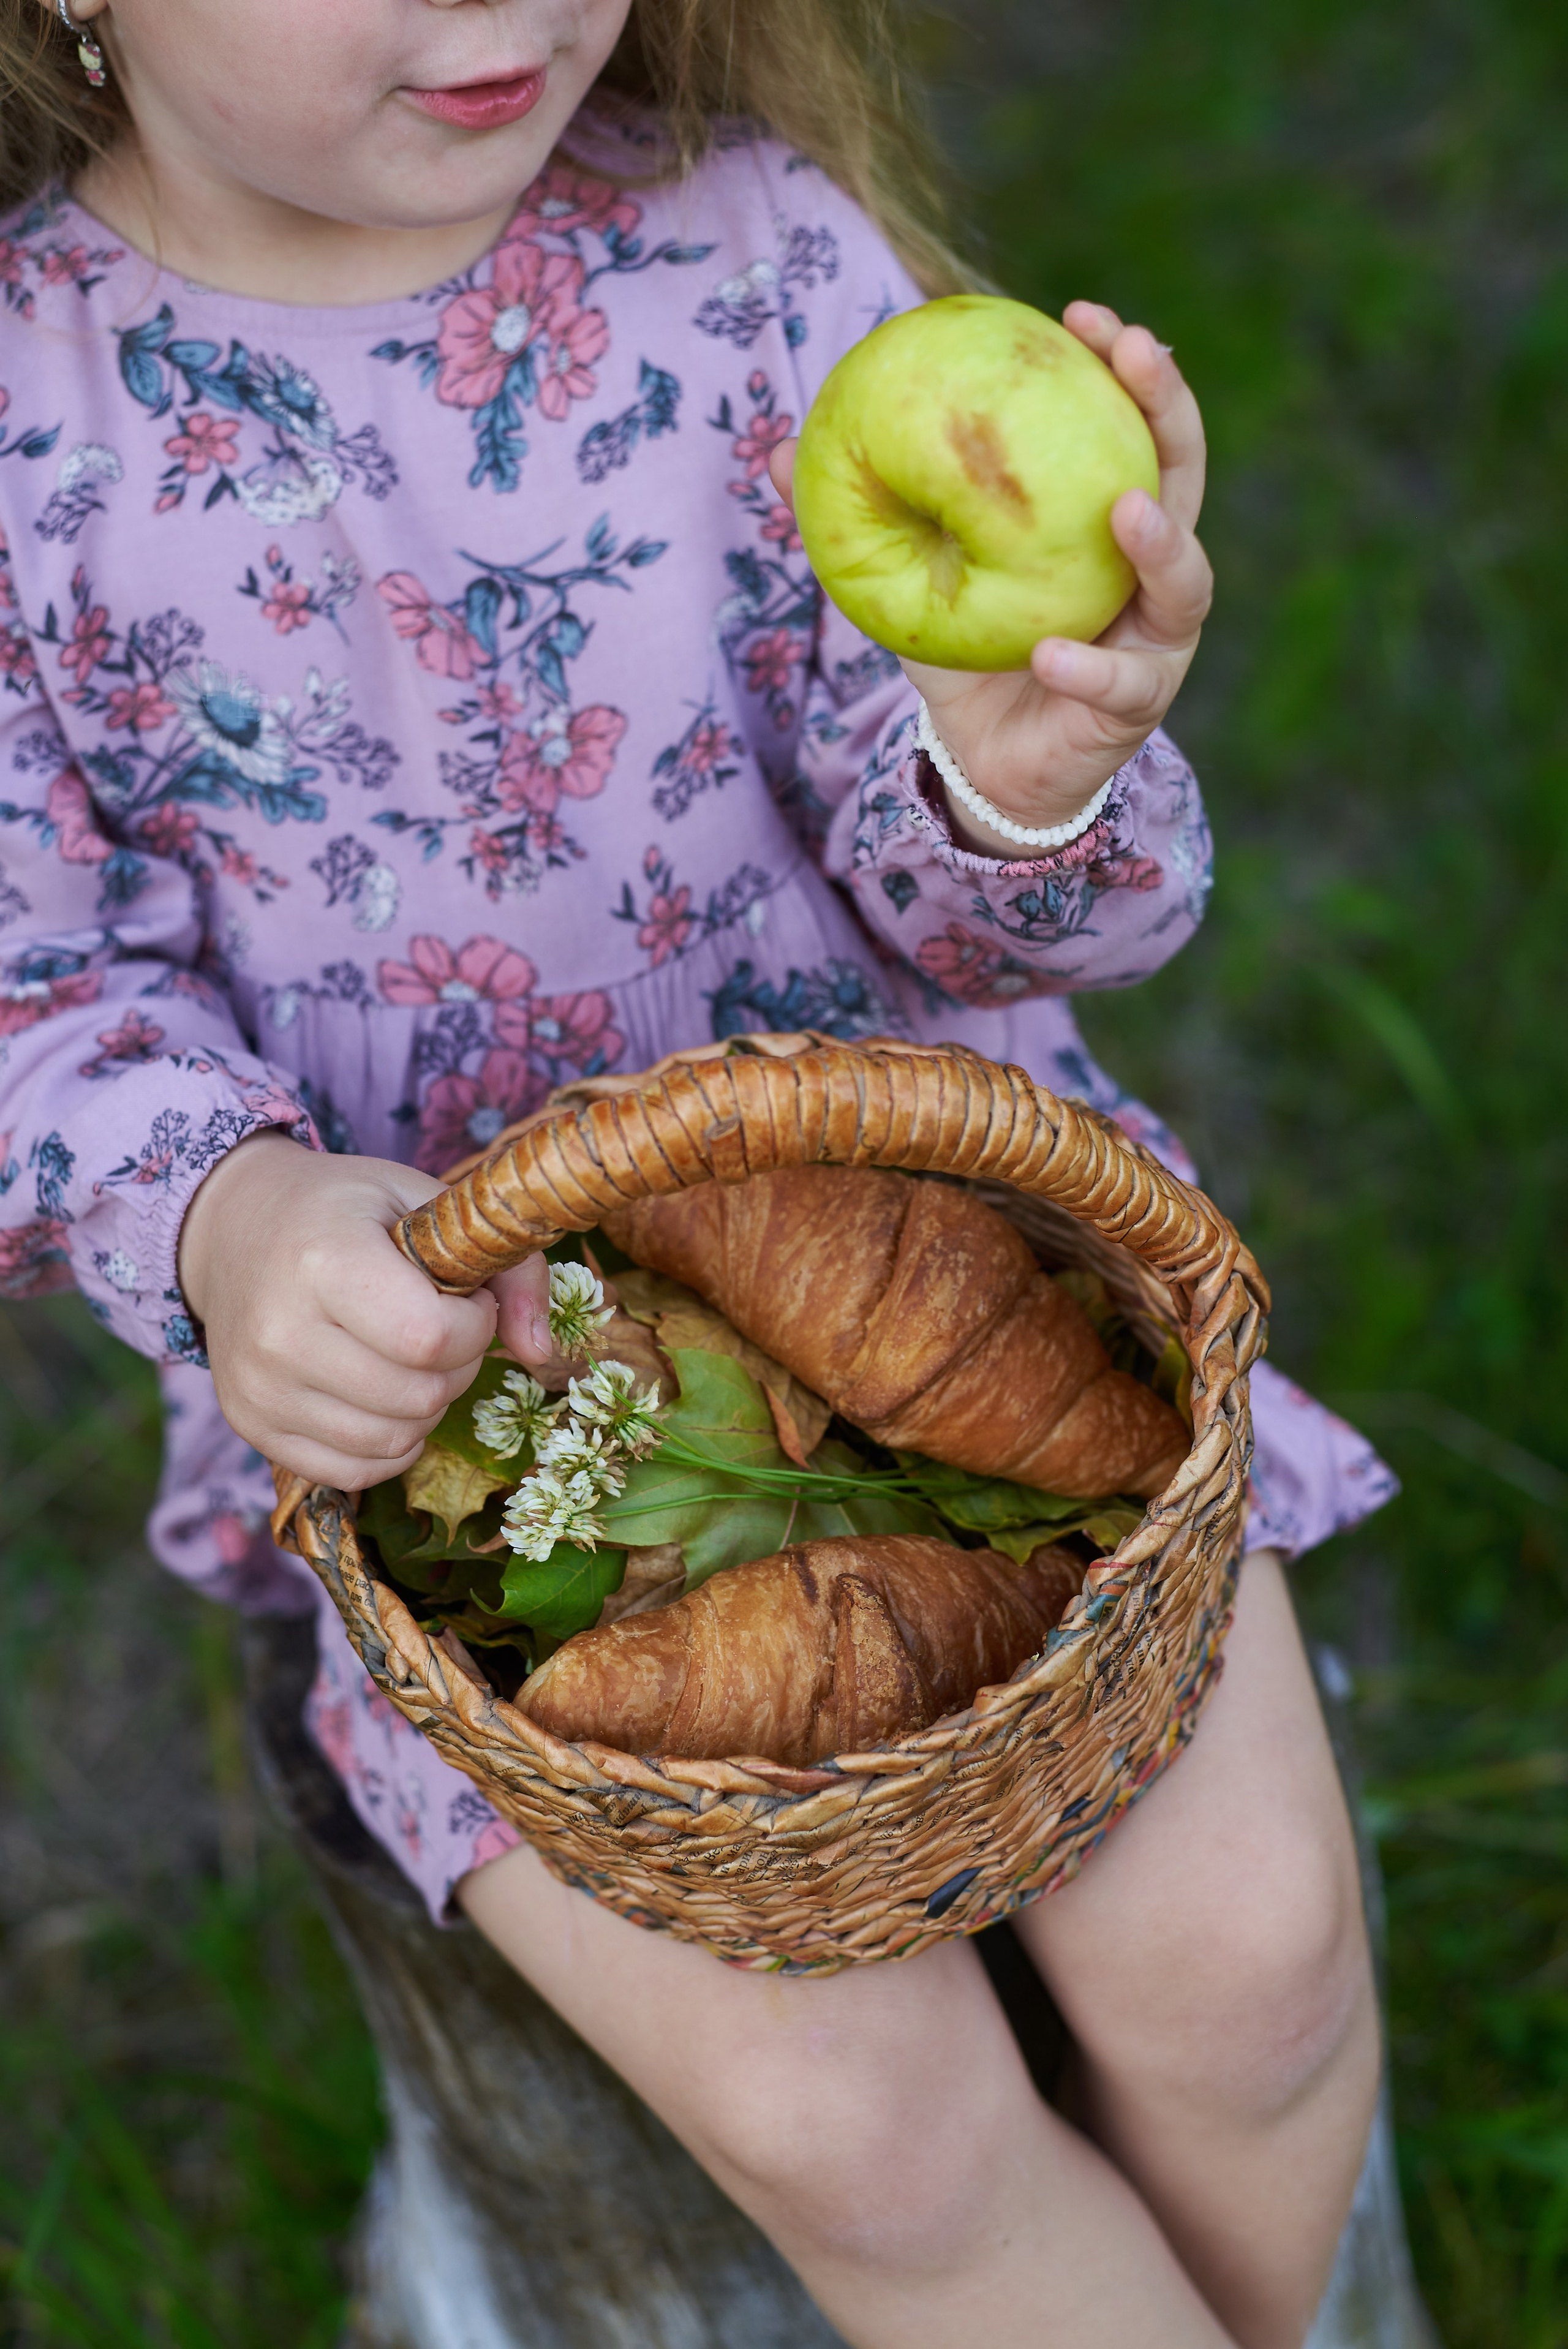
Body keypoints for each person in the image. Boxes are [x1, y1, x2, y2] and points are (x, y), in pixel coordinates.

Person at [0, 2, 1397, 2341]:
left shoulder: (742, 257)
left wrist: (1019, 772)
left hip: (967, 1279)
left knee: (1250, 1954)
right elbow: (26, 992)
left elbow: (961, 880)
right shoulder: (29, 426)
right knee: (867, 2126)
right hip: (503, 1445)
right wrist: (234, 1220)